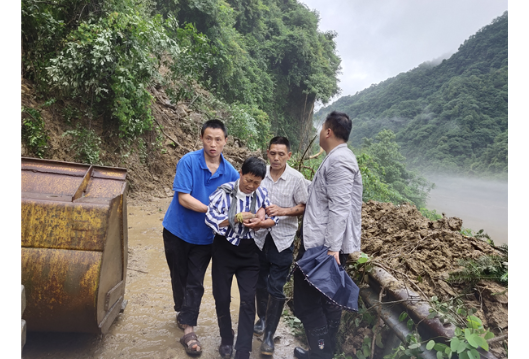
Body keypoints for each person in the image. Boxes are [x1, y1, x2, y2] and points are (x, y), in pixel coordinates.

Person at [162, 119, 240, 356]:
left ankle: (189, 331)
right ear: (201, 138)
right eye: (209, 138)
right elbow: (183, 197)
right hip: (177, 231)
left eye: (218, 139)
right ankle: (182, 309)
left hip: (206, 238)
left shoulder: (231, 173)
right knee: (179, 277)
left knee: (195, 281)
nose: (213, 144)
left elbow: (238, 201)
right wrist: (213, 211)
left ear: (226, 141)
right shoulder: (188, 162)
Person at [293, 111, 363, 359]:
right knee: (321, 299)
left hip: (324, 248)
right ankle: (320, 352)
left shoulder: (340, 161)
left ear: (328, 131)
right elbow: (324, 196)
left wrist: (333, 249)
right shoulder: (335, 158)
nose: (319, 131)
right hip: (321, 245)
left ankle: (321, 353)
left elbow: (340, 206)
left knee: (307, 300)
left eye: (321, 126)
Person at [205, 156, 278, 359]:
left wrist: (261, 221)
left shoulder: (261, 192)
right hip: (224, 251)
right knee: (221, 297)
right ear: (240, 173)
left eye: (256, 182)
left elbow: (274, 217)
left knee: (247, 300)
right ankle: (226, 339)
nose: (251, 186)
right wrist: (236, 217)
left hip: (249, 253)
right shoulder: (224, 192)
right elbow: (210, 219)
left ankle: (243, 349)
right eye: (248, 180)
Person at [252, 136, 308, 356]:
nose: (276, 158)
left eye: (281, 154)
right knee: (259, 281)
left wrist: (283, 211)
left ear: (289, 155)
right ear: (268, 153)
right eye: (272, 153)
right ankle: (262, 317)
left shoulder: (297, 178)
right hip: (259, 238)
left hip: (283, 240)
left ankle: (268, 336)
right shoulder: (260, 174)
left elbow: (303, 206)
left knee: (276, 287)